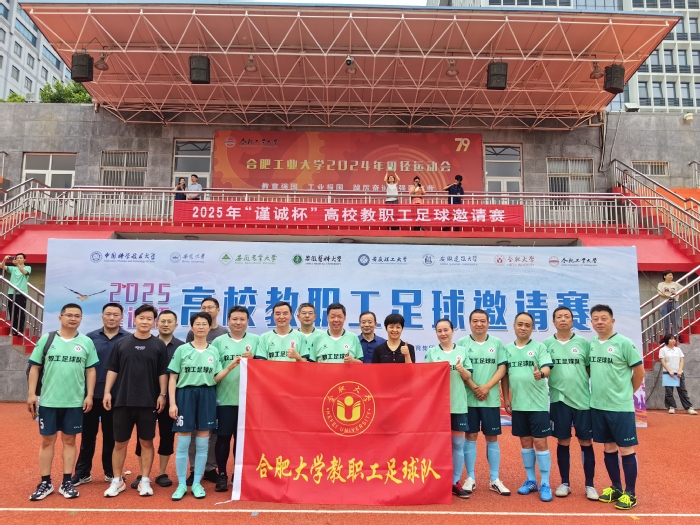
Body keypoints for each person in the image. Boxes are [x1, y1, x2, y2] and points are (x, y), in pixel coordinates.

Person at [27, 303, 98, 501]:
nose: (73, 318)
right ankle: (45, 482)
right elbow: (35, 368)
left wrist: (89, 395)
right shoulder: (47, 339)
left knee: (70, 441)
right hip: (49, 401)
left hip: (74, 402)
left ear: (81, 319)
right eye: (69, 315)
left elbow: (91, 370)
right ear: (60, 318)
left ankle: (67, 481)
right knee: (47, 441)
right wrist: (31, 394)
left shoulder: (86, 342)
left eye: (77, 316)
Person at [168, 311, 241, 500]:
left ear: (210, 327)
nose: (201, 327)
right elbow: (173, 377)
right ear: (192, 327)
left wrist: (230, 367)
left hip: (207, 395)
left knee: (203, 443)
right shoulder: (182, 350)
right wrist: (173, 403)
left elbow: (214, 378)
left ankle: (197, 483)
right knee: (183, 443)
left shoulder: (213, 350)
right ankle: (182, 484)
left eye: (204, 324)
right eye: (197, 324)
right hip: (185, 395)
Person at [102, 304, 169, 498]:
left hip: (148, 402)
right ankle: (117, 480)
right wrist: (107, 392)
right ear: (134, 319)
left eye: (149, 319)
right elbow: (113, 369)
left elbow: (163, 373)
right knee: (119, 443)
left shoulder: (158, 345)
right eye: (142, 318)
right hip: (123, 401)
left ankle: (145, 480)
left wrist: (162, 394)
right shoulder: (122, 343)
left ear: (154, 322)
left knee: (146, 442)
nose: (145, 322)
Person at [588, 304, 645, 511]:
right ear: (591, 322)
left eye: (604, 318)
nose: (599, 322)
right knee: (608, 448)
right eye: (595, 319)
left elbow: (639, 372)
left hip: (620, 408)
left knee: (626, 449)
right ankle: (616, 487)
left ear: (612, 321)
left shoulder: (624, 343)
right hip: (598, 406)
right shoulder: (592, 343)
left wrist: (627, 393)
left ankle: (631, 493)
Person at [542, 307, 598, 501]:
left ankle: (590, 485)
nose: (563, 319)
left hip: (582, 401)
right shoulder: (547, 344)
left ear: (573, 321)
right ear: (553, 322)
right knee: (562, 441)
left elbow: (590, 370)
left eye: (567, 317)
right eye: (559, 317)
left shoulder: (583, 343)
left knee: (586, 442)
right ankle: (564, 483)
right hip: (559, 400)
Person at [71, 303, 129, 487]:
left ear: (122, 317)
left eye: (116, 315)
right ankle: (82, 472)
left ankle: (111, 472)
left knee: (111, 436)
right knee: (88, 436)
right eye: (108, 314)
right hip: (91, 395)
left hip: (116, 396)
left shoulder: (128, 339)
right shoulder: (90, 338)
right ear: (102, 316)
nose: (111, 318)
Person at [456, 309, 510, 497]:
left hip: (490, 399)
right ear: (469, 323)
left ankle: (494, 479)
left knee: (492, 437)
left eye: (482, 321)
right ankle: (470, 477)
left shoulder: (496, 343)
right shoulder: (462, 343)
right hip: (469, 399)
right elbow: (460, 370)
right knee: (470, 436)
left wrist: (486, 387)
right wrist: (474, 388)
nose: (479, 324)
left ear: (488, 323)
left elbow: (502, 368)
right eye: (475, 321)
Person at [502, 312, 554, 502]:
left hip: (537, 404)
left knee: (540, 443)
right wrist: (506, 398)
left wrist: (541, 373)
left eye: (527, 325)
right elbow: (505, 376)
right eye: (520, 324)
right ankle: (531, 480)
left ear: (532, 328)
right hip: (518, 405)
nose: (523, 328)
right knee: (525, 442)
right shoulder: (507, 349)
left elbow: (547, 367)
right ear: (514, 326)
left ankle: (545, 482)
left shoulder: (539, 347)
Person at [131, 310, 185, 490]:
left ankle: (162, 472)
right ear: (157, 323)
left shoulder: (182, 347)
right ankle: (142, 473)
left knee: (167, 436)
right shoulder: (148, 343)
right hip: (146, 397)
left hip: (171, 399)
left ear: (176, 325)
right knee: (143, 437)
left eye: (170, 321)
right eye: (162, 321)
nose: (165, 324)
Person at [211, 306, 259, 492]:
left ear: (247, 321)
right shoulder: (218, 342)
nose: (238, 322)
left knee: (242, 441)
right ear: (228, 321)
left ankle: (238, 474)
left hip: (249, 402)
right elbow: (214, 371)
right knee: (223, 438)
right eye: (235, 319)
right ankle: (222, 474)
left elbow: (265, 368)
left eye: (242, 319)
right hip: (224, 400)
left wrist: (254, 360)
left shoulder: (256, 340)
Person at [425, 318, 473, 499]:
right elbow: (425, 378)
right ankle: (437, 480)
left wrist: (461, 370)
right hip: (438, 407)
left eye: (446, 330)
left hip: (458, 404)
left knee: (457, 444)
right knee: (437, 444)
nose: (443, 333)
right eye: (439, 330)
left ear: (453, 331)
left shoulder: (462, 351)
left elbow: (468, 376)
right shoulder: (432, 353)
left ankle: (454, 481)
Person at [184, 297, 227, 484]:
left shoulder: (224, 333)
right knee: (195, 431)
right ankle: (194, 469)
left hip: (217, 389)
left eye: (211, 307)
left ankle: (210, 467)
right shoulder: (191, 333)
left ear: (218, 310)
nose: (207, 310)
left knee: (213, 432)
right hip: (195, 391)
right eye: (203, 307)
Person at [659, 334, 697, 415]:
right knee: (669, 391)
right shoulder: (663, 350)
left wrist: (680, 370)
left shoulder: (678, 349)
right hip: (668, 373)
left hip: (679, 373)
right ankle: (671, 406)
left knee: (682, 391)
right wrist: (669, 371)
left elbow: (681, 360)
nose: (673, 340)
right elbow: (663, 361)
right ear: (667, 340)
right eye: (671, 339)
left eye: (674, 339)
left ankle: (688, 407)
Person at [2, 253, 31, 336]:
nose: (18, 259)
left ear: (24, 259)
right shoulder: (13, 268)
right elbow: (2, 266)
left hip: (22, 293)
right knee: (12, 312)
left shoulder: (28, 267)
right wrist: (4, 260)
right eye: (17, 258)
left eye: (20, 258)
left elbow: (24, 272)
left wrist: (18, 265)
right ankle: (14, 330)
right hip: (11, 292)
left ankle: (20, 330)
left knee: (21, 312)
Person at [657, 271, 683, 337]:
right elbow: (659, 293)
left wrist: (676, 294)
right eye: (669, 275)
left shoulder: (675, 284)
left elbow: (685, 289)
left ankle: (676, 336)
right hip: (664, 303)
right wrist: (668, 295)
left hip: (674, 302)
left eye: (672, 275)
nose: (671, 276)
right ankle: (667, 336)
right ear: (664, 276)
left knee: (675, 320)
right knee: (665, 320)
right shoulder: (661, 284)